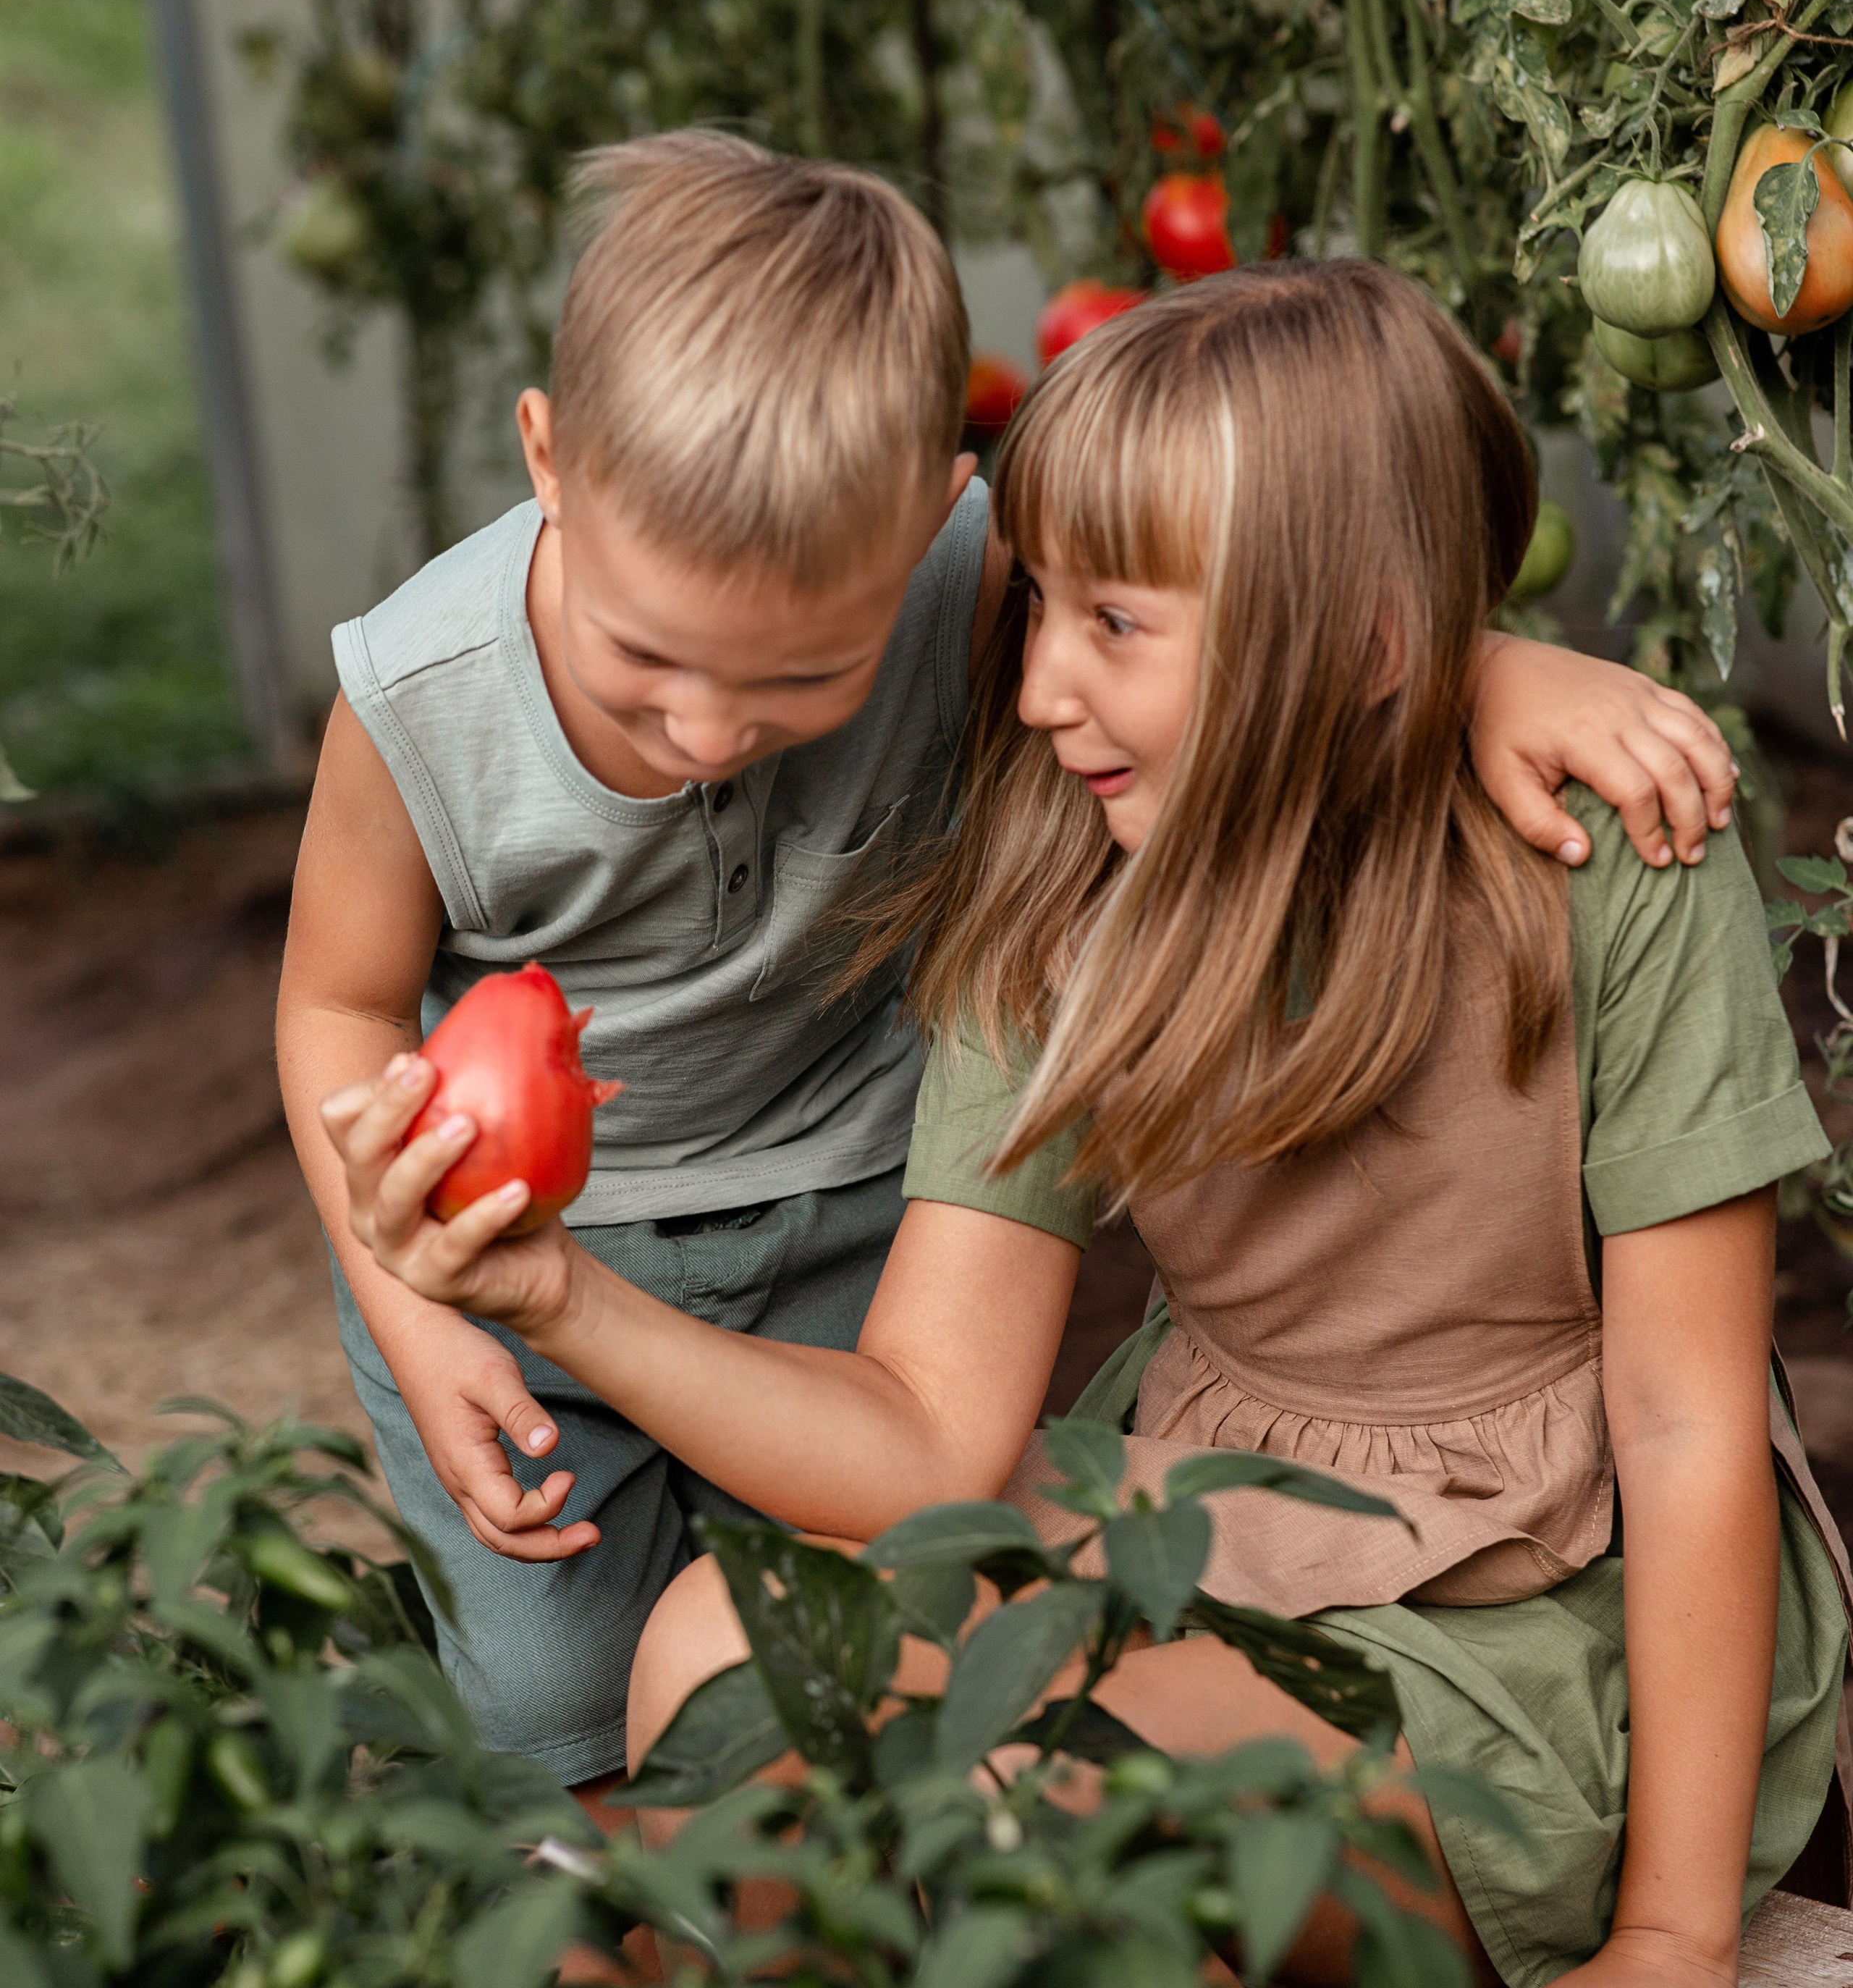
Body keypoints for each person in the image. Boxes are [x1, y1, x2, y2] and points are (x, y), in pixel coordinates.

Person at [288, 150, 1742, 1811]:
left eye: (798, 676)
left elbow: (1279, 579)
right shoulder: (431, 698)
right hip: (516, 1225)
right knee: (563, 1717)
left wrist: (1478, 663)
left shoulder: (982, 598)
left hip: (851, 1199)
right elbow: (334, 1001)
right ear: (543, 457)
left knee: (782, 1677)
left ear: (930, 524)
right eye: (644, 661)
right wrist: (430, 1313)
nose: (703, 734)